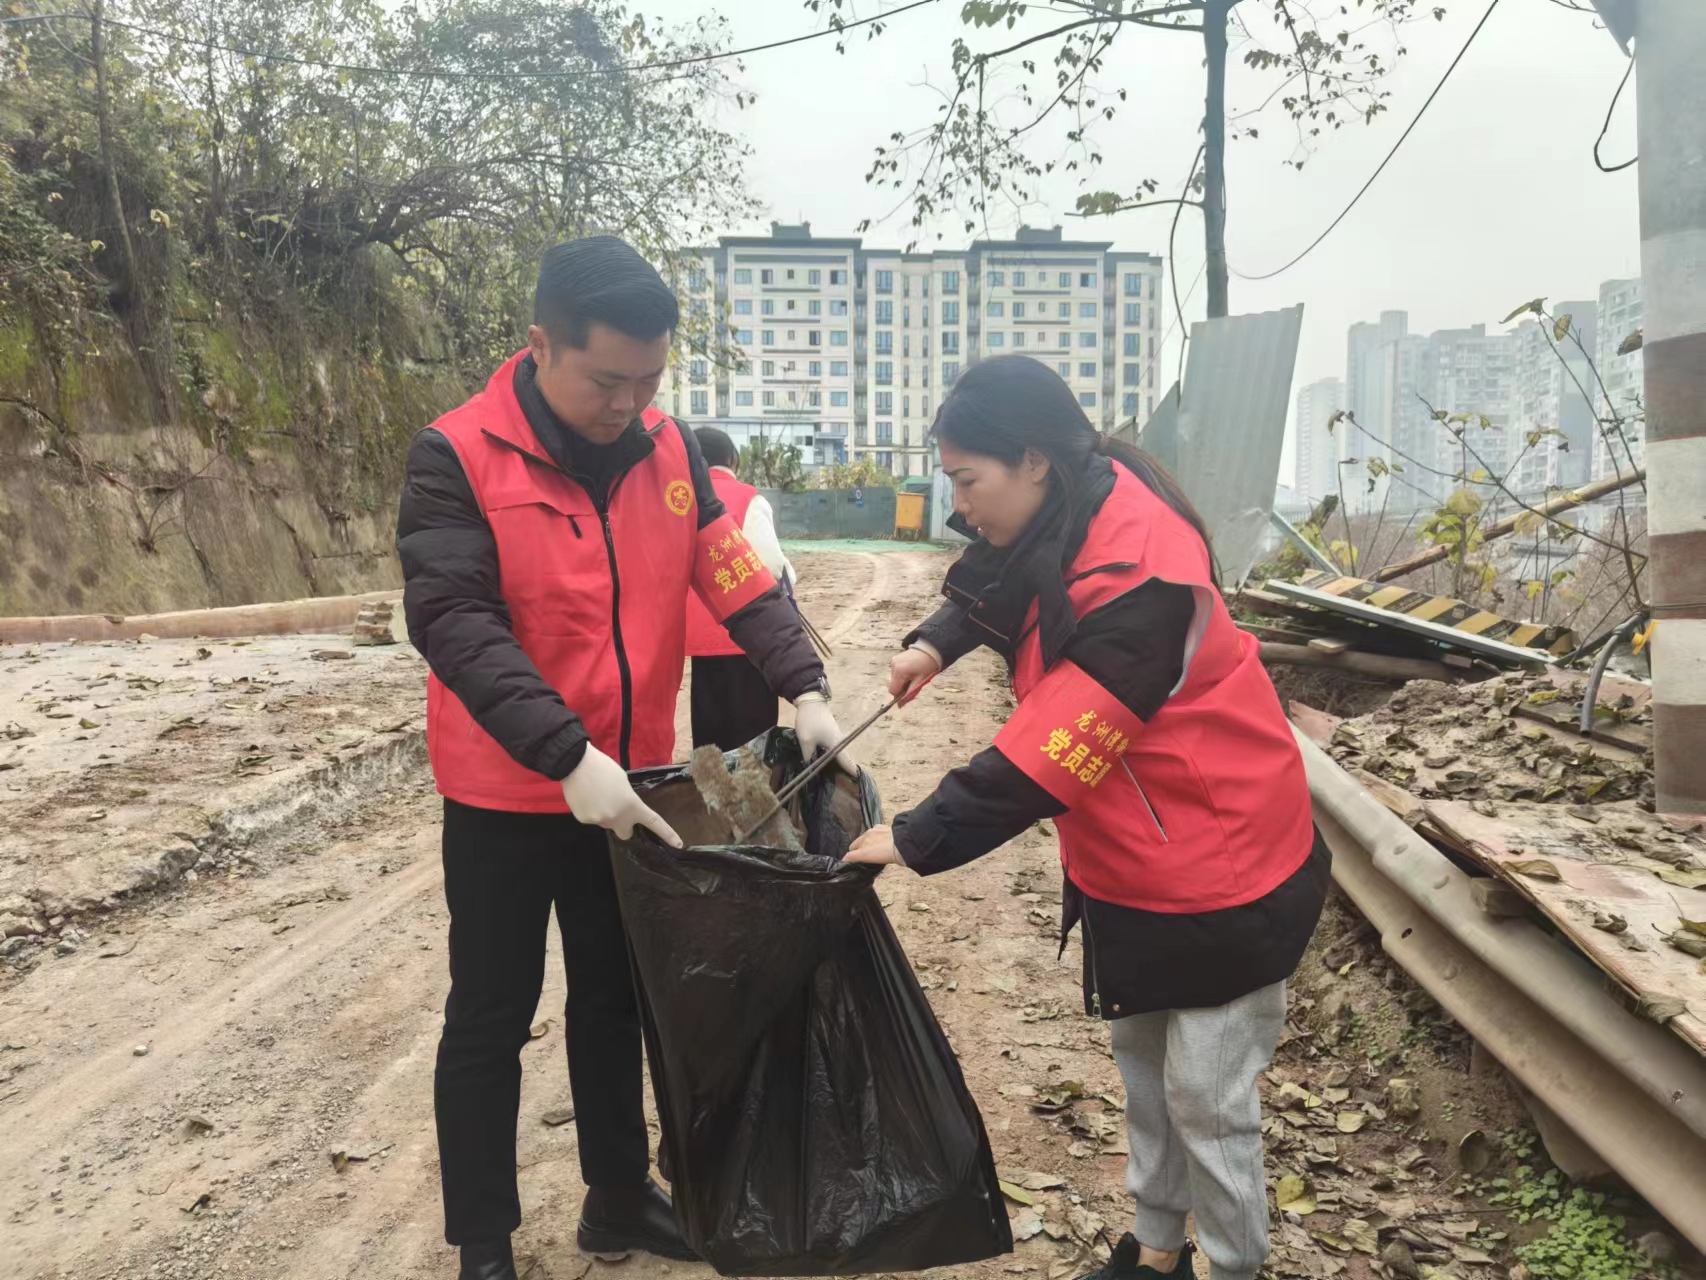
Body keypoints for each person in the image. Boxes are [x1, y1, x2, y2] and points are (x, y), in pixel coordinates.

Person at [397, 236, 847, 1280]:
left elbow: (736, 578)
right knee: (489, 1012)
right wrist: (562, 752)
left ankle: (613, 1196)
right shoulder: (456, 455)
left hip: (634, 788)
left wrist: (806, 686)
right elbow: (454, 618)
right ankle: (483, 1240)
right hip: (507, 790)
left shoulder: (670, 448)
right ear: (540, 346)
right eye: (607, 380)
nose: (627, 402)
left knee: (615, 996)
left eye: (649, 380)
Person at [844, 355, 1330, 1280]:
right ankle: (1156, 1251)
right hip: (1138, 856)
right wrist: (935, 644)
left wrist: (914, 836)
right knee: (1145, 1065)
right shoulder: (1074, 500)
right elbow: (1002, 566)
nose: (961, 506)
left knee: (1209, 1098)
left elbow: (1047, 754)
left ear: (1031, 461)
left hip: (1223, 858)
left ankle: (1233, 1267)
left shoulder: (1141, 572)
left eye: (967, 480)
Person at [683, 426, 798, 750]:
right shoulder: (749, 497)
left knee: (710, 735)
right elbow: (771, 566)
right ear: (733, 459)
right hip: (750, 635)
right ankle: (755, 798)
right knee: (753, 737)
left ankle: (711, 799)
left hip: (701, 641)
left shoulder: (679, 499)